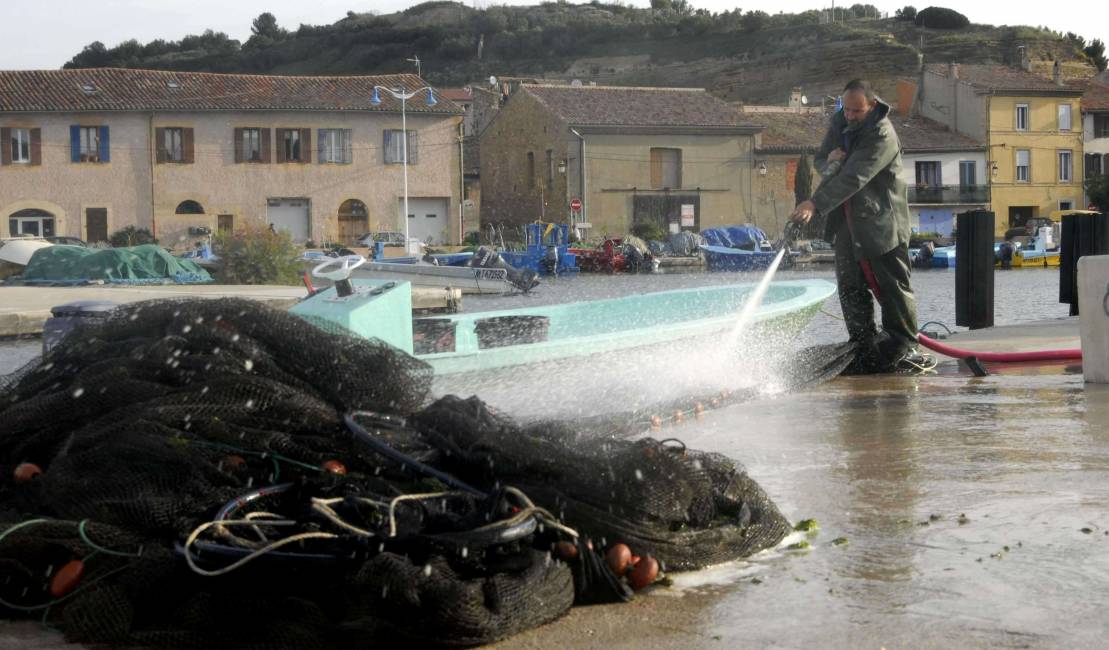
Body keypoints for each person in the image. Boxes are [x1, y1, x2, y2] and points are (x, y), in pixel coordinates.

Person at [790, 79, 932, 374]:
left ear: (871, 106)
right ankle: (863, 346)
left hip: (882, 224)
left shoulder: (882, 134)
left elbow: (854, 177)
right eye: (847, 109)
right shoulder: (839, 121)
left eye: (857, 111)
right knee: (851, 287)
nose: (850, 116)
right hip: (846, 223)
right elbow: (822, 160)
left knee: (892, 287)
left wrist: (814, 204)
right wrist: (829, 162)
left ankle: (905, 346)